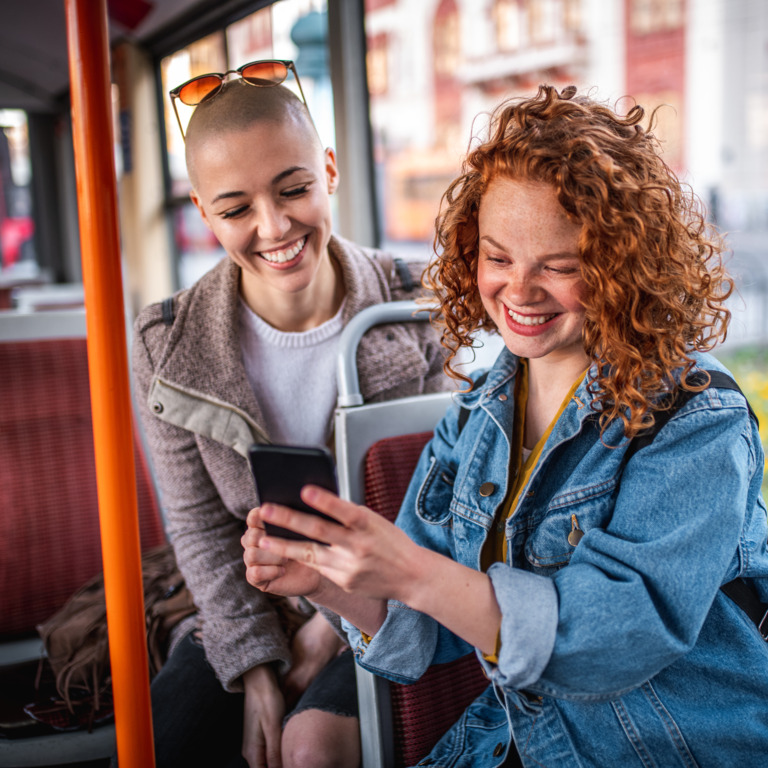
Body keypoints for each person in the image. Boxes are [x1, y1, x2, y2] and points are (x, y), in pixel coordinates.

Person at [242, 84, 768, 768]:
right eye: (497, 259)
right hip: (521, 740)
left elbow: (617, 638)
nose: (519, 292)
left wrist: (416, 572)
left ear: (620, 268)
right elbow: (426, 629)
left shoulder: (698, 419)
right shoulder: (478, 414)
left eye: (561, 267)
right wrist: (327, 581)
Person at [128, 62, 449, 768]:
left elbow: (439, 503)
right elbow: (200, 526)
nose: (274, 228)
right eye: (237, 208)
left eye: (294, 189)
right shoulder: (167, 343)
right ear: (204, 212)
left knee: (310, 754)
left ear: (329, 170)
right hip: (254, 603)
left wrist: (334, 623)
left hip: (387, 604)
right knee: (161, 741)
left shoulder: (415, 306)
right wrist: (254, 670)